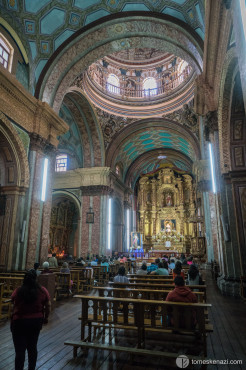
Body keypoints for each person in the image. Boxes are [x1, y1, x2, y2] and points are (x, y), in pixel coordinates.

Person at [11, 270, 51, 370]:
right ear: (36, 279)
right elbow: (48, 305)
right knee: (32, 347)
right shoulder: (42, 290)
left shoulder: (18, 290)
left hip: (19, 321)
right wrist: (46, 317)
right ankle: (31, 368)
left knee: (20, 350)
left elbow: (13, 301)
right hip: (35, 321)